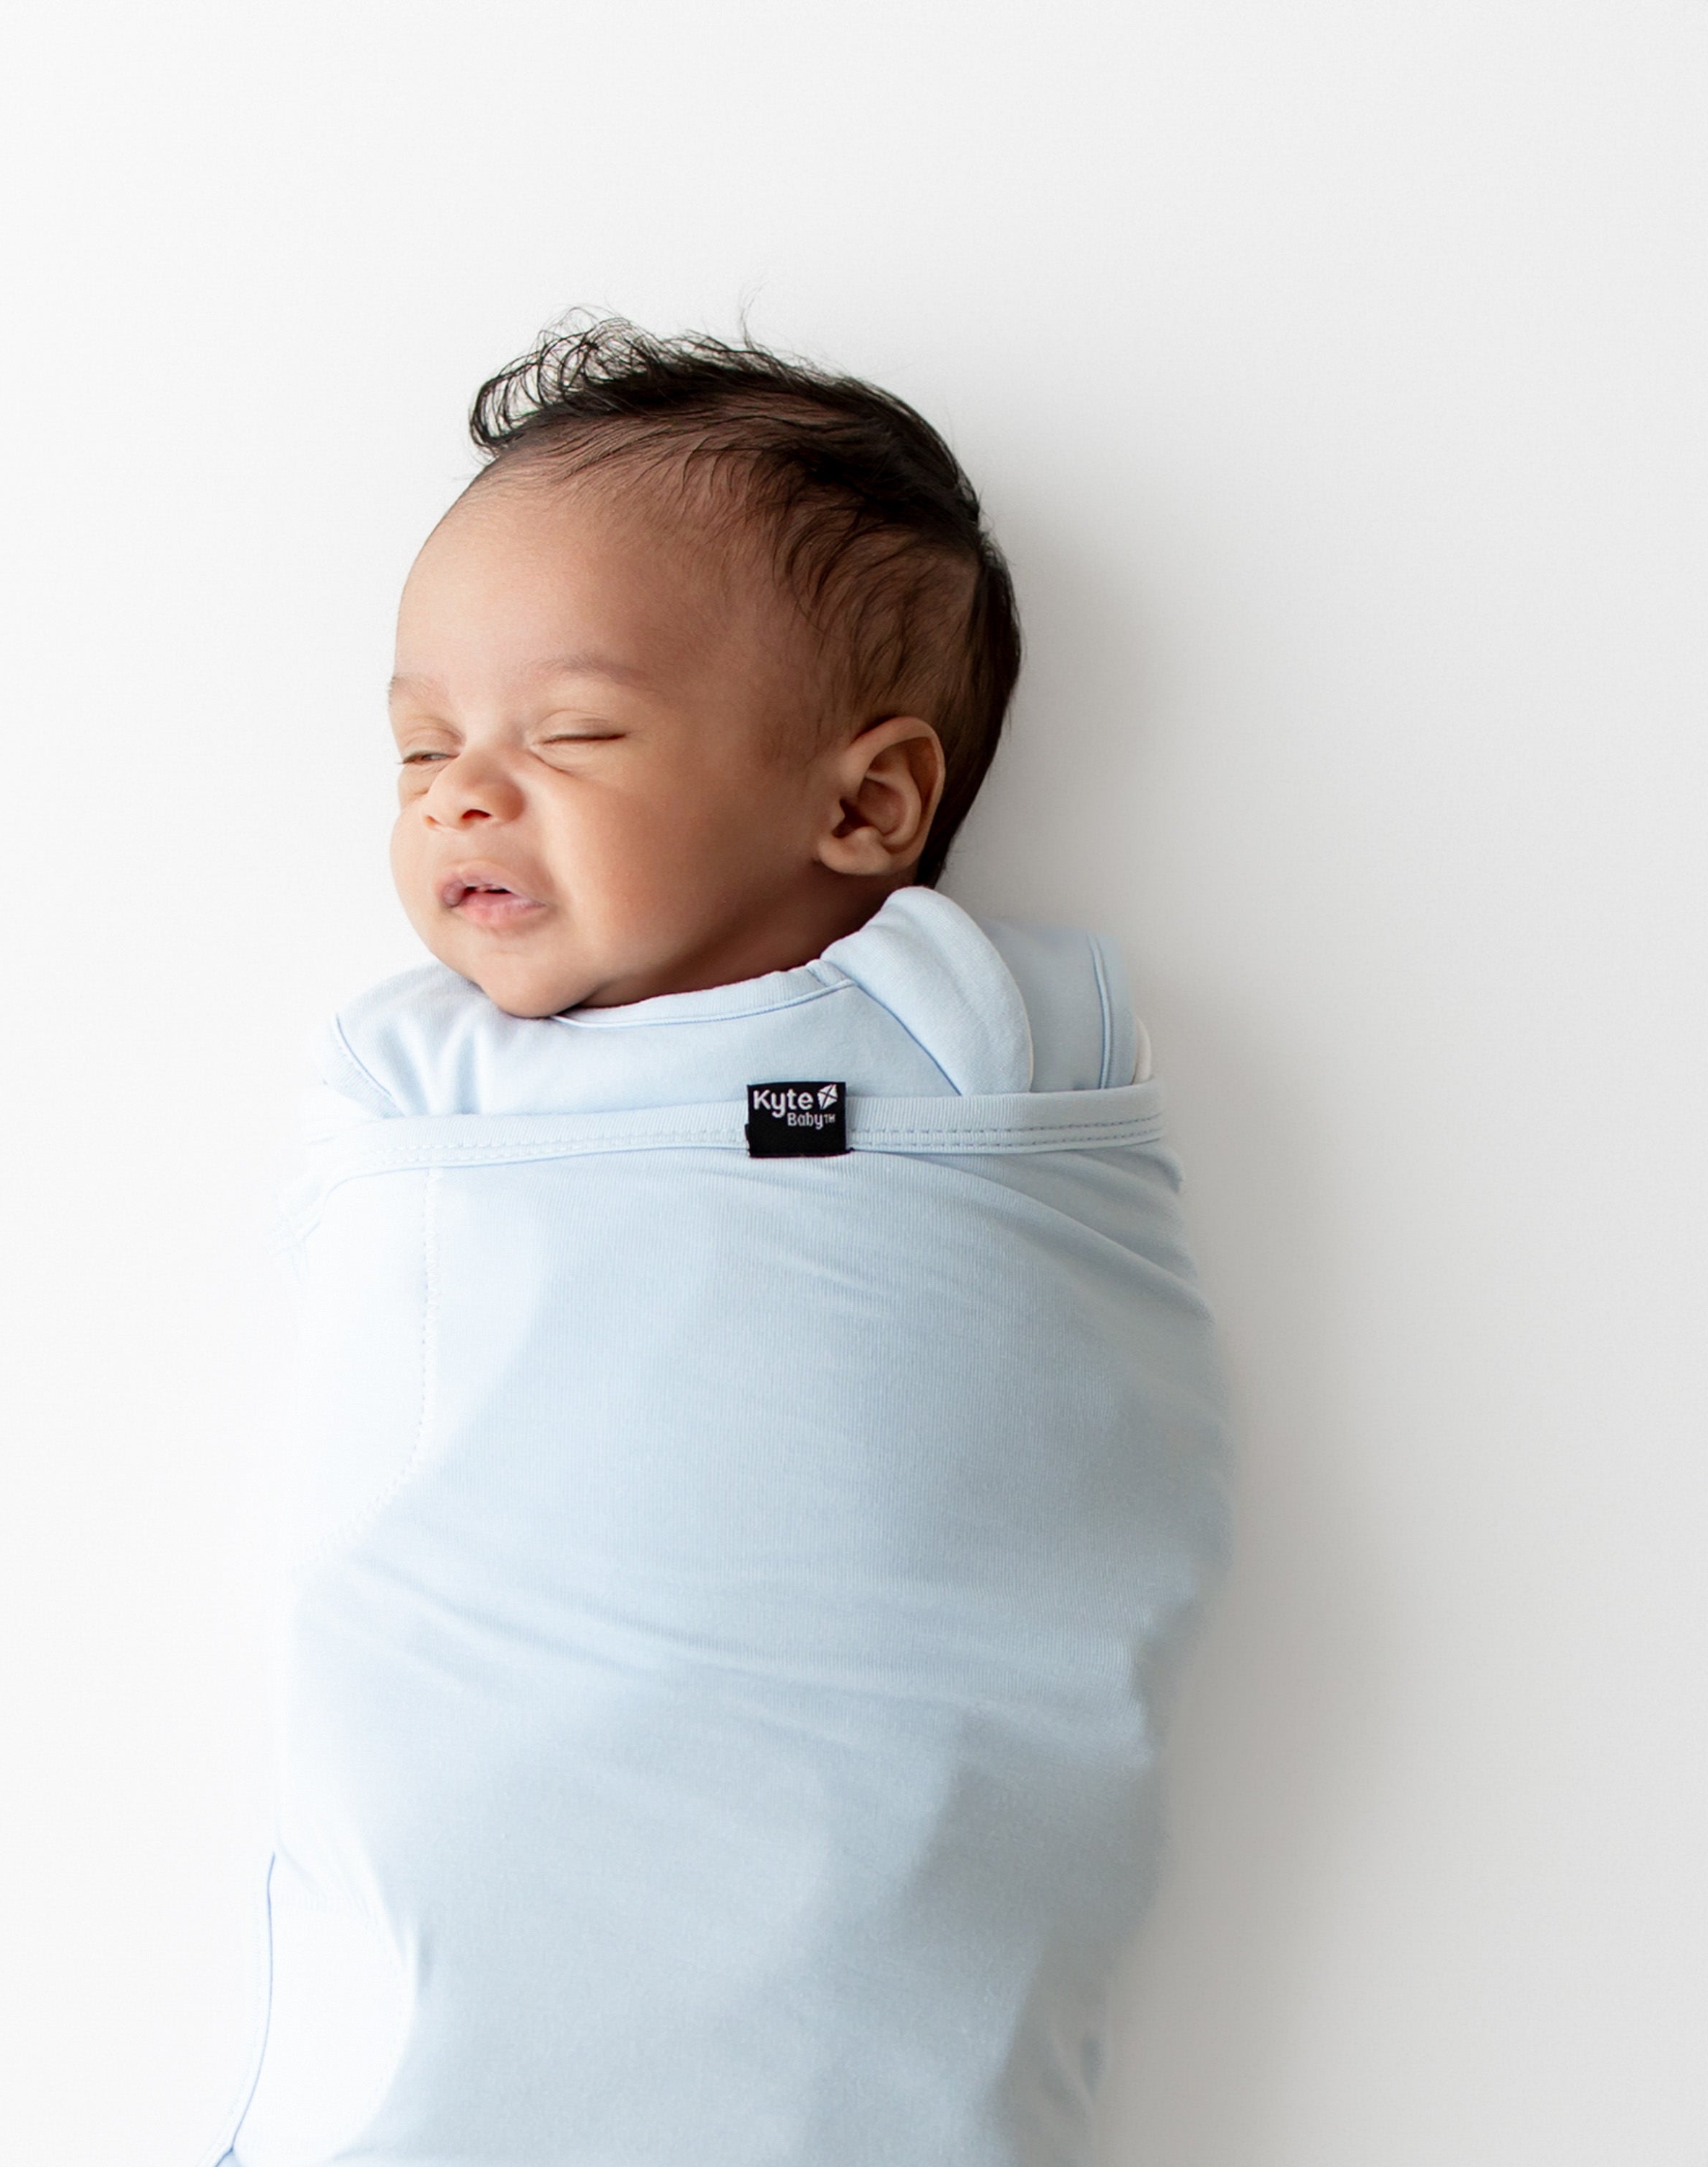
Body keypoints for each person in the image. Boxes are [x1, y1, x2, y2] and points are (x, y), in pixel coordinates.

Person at [211, 320, 1226, 2166]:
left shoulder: (961, 1034)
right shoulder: (413, 1082)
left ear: (866, 806)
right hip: (478, 1873)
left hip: (862, 1890)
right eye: (421, 745)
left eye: (571, 734)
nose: (458, 793)